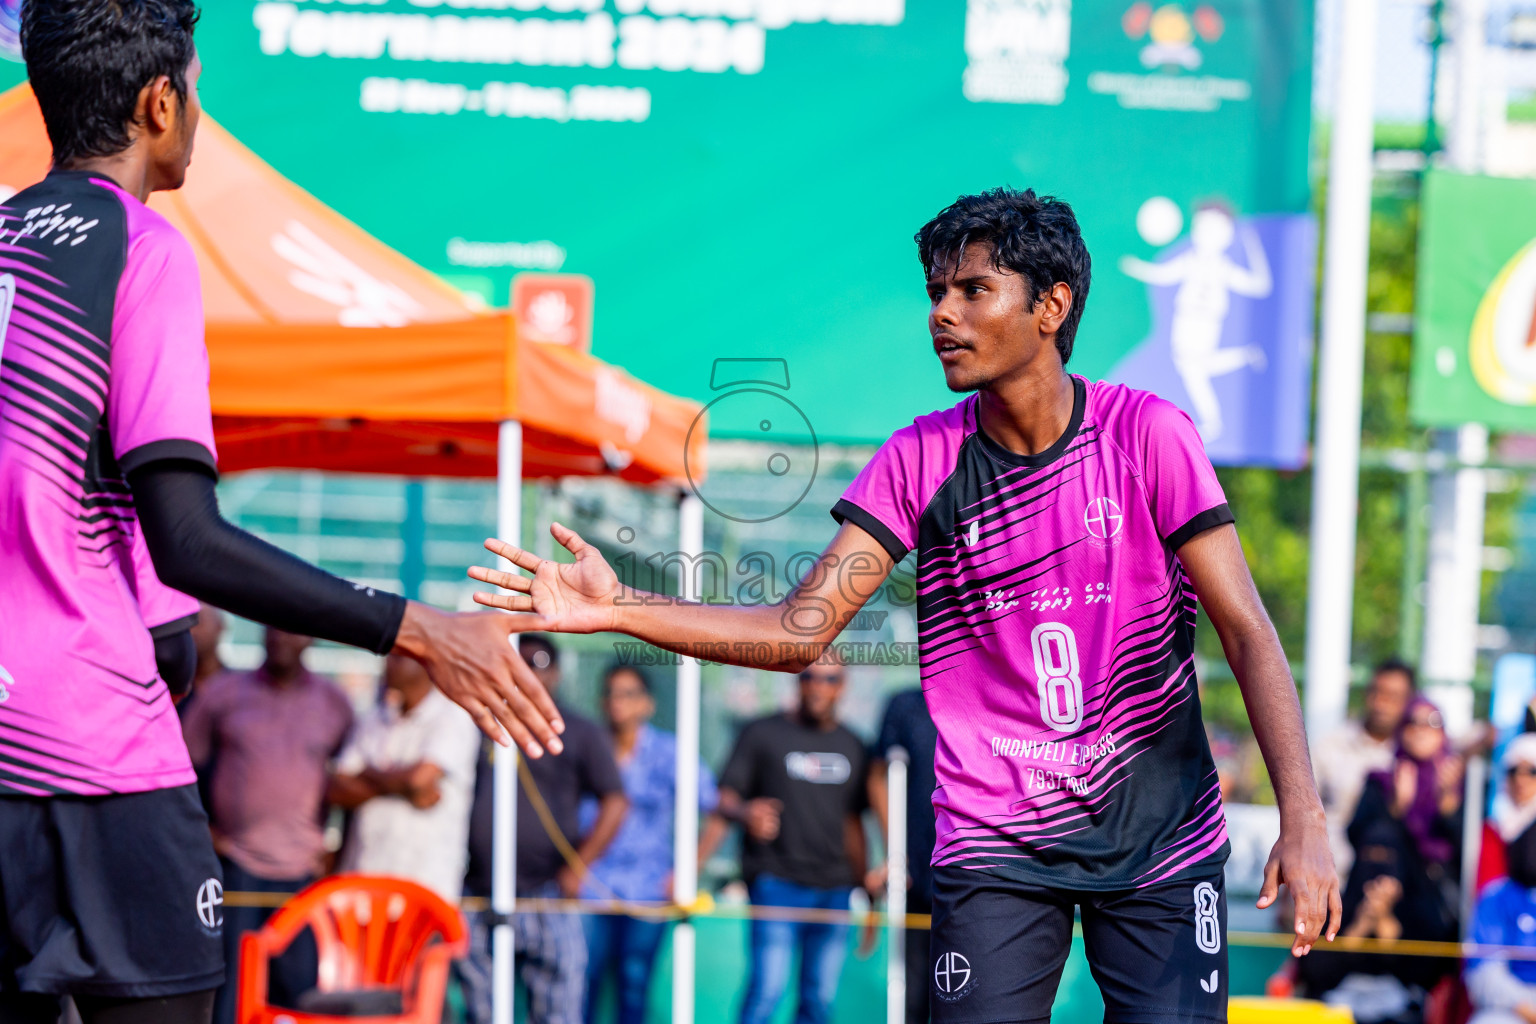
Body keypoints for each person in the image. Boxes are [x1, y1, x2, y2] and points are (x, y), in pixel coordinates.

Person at [473, 187, 1340, 1023]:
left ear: (1051, 306)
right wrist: (619, 603)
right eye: (936, 293)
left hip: (1161, 839)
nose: (943, 314)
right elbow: (793, 632)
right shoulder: (920, 458)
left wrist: (1302, 819)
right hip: (997, 843)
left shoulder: (1148, 435)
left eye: (973, 290)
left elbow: (1249, 632)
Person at [1, 4, 561, 1019]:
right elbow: (190, 542)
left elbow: (63, 511)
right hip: (91, 756)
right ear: (158, 102)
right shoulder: (142, 248)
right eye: (198, 94)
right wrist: (419, 624)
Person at [180, 629, 352, 1024]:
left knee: (300, 997)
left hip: (302, 877)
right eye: (272, 627)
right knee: (227, 996)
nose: (280, 638)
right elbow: (180, 770)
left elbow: (350, 782)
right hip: (236, 870)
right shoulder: (223, 694)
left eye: (291, 630)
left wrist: (333, 858)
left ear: (310, 639)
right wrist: (203, 834)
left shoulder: (333, 702)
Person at [458, 635, 628, 1024]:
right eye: (519, 664)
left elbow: (615, 801)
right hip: (478, 891)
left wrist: (577, 867)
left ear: (554, 674)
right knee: (483, 1011)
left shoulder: (579, 731)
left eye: (537, 665)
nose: (527, 675)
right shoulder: (478, 723)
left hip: (547, 892)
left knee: (557, 1009)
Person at [706, 659, 868, 1024]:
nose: (817, 686)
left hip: (834, 890)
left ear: (842, 686)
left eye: (829, 678)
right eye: (809, 676)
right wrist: (745, 813)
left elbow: (853, 822)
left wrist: (867, 889)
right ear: (798, 681)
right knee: (767, 991)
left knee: (818, 1000)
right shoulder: (762, 733)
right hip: (776, 883)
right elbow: (723, 798)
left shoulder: (854, 744)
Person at [1297, 695, 1463, 1020]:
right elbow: (1361, 834)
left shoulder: (1454, 782)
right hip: (1365, 887)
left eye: (1431, 723)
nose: (1420, 730)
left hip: (1425, 892)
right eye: (1412, 721)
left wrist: (1447, 807)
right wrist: (1396, 809)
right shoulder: (1381, 780)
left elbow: (1462, 845)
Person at [580, 664, 720, 1024]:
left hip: (648, 890)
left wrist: (687, 871)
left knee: (633, 985)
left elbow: (716, 809)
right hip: (590, 887)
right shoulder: (588, 746)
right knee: (583, 982)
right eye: (611, 693)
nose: (617, 703)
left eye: (628, 694)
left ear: (648, 704)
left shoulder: (668, 752)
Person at [328, 654, 482, 902]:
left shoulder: (452, 717)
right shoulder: (374, 720)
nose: (387, 663)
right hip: (365, 885)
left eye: (398, 658)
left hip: (426, 887)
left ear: (424, 664)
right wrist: (405, 787)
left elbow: (418, 780)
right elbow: (337, 788)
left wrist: (366, 773)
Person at [867, 687, 938, 1024]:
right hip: (918, 874)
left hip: (978, 872)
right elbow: (878, 775)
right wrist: (896, 852)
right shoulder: (907, 704)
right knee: (912, 998)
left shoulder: (995, 693)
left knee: (970, 997)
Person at [1315, 659, 1417, 871]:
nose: (1381, 703)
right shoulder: (1331, 747)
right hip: (1335, 877)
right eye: (1377, 692)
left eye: (1393, 697)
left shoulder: (1416, 757)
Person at [1467, 734, 1536, 1024]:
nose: (1521, 779)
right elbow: (1483, 967)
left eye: (1531, 771)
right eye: (1513, 771)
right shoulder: (1487, 832)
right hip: (1511, 1005)